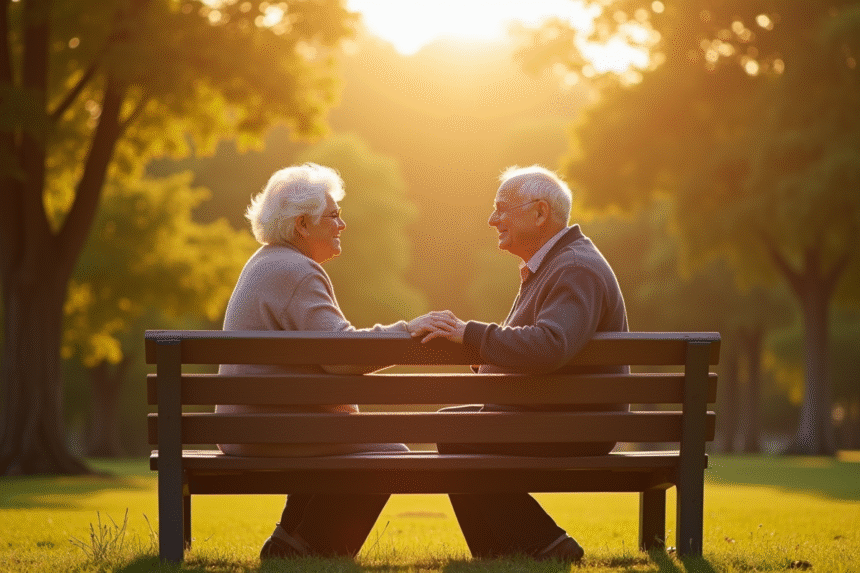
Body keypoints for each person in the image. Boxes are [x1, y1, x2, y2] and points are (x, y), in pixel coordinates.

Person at [410, 165, 629, 563]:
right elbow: (543, 349)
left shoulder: (574, 268)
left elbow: (549, 345)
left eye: (501, 209)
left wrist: (470, 334)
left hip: (575, 424)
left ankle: (541, 543)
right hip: (555, 413)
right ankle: (502, 552)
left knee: (451, 428)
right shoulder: (556, 264)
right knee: (450, 422)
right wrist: (479, 357)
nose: (492, 219)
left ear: (540, 213)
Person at [217, 163, 420, 559]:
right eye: (333, 215)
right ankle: (314, 550)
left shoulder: (267, 262)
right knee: (392, 454)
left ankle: (290, 543)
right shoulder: (295, 271)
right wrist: (410, 331)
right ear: (302, 225)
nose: (342, 224)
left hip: (251, 425)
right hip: (272, 430)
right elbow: (342, 356)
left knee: (351, 441)